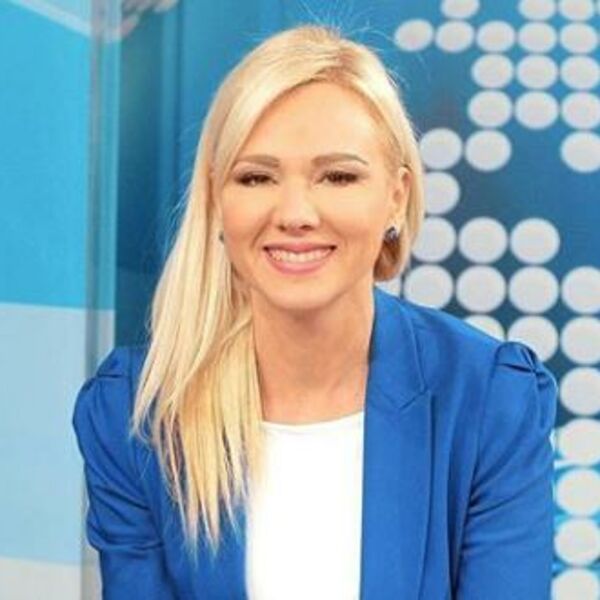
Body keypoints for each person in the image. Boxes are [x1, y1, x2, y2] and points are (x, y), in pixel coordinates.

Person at [72, 24, 558, 599]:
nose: (296, 213)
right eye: (257, 177)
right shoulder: (136, 414)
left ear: (396, 197)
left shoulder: (489, 399)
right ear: (217, 200)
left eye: (338, 176)